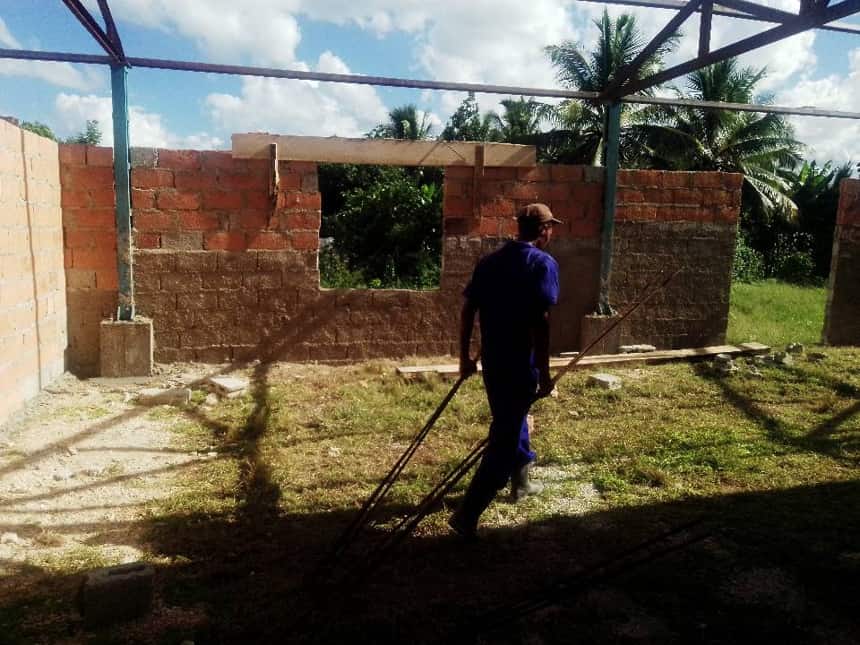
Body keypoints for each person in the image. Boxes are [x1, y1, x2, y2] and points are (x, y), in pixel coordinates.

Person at [449, 202, 561, 539]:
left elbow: (468, 310)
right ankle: (468, 514)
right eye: (551, 227)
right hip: (519, 366)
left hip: (493, 365)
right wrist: (543, 372)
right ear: (544, 230)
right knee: (503, 440)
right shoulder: (542, 264)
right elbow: (540, 324)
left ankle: (522, 482)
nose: (551, 231)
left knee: (509, 421)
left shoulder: (490, 263)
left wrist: (465, 358)